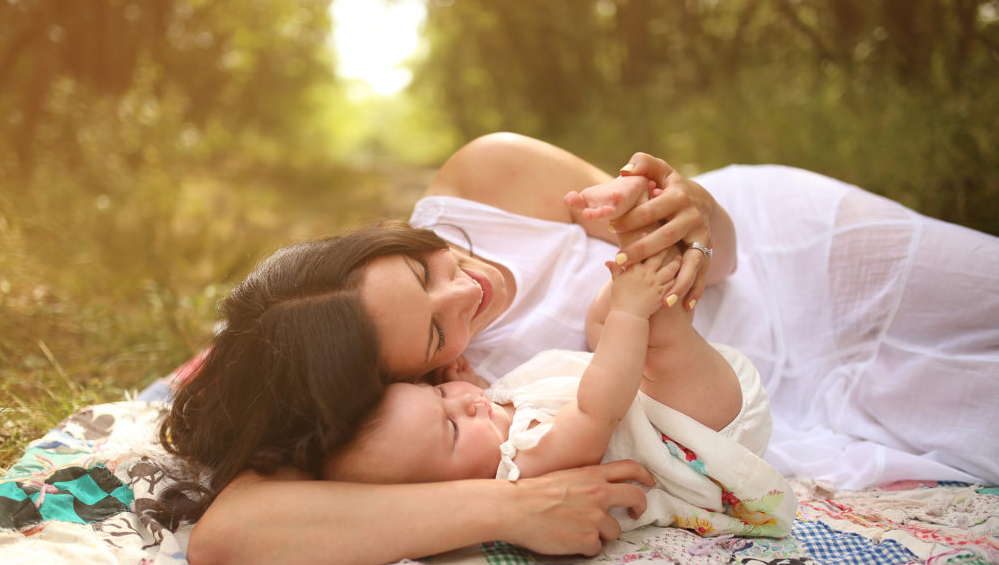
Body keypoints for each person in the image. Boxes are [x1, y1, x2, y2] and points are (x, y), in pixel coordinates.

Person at [167, 132, 999, 565]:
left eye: (426, 267)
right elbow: (233, 531)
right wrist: (507, 512)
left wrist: (687, 212)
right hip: (783, 413)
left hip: (801, 263)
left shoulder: (484, 184)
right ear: (409, 379)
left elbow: (724, 249)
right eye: (432, 331)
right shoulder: (446, 415)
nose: (472, 292)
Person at [325, 196, 796, 538]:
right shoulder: (523, 468)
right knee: (655, 335)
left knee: (599, 320)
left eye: (440, 396)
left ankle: (643, 253)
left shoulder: (490, 417)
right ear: (450, 485)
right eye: (450, 430)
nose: (466, 405)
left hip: (655, 396)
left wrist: (469, 383)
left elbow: (485, 401)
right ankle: (650, 271)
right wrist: (630, 314)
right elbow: (596, 411)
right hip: (698, 430)